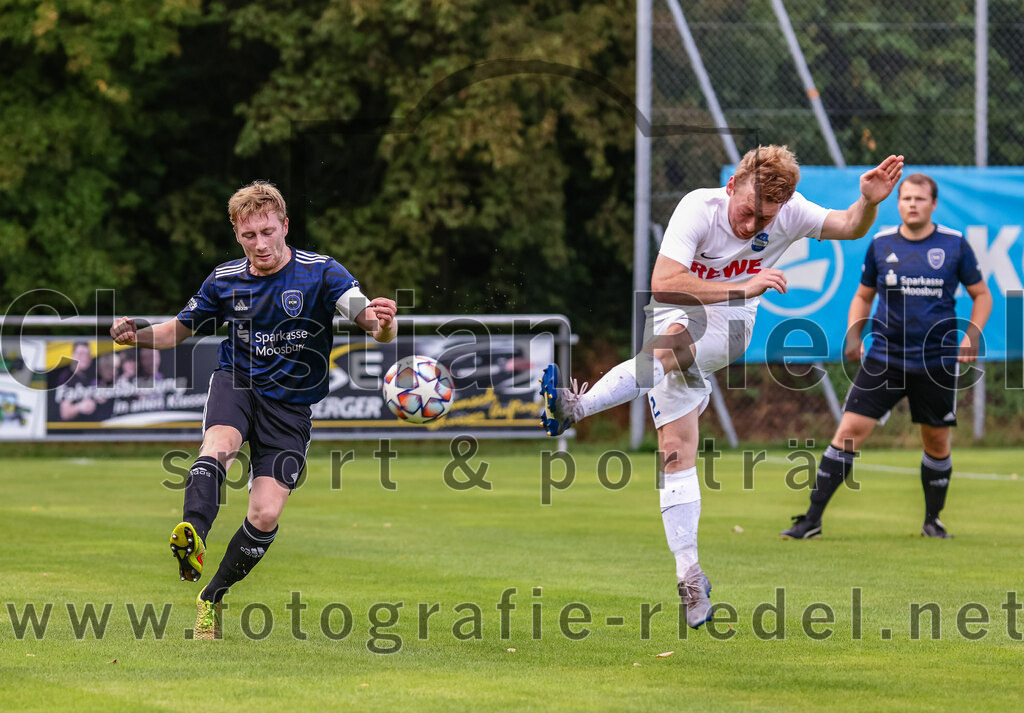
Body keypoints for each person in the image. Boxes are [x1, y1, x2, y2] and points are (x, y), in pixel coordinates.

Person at [539, 146, 904, 628]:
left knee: (672, 345)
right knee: (675, 451)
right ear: (732, 185)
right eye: (748, 211)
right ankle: (690, 579)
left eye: (765, 218)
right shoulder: (698, 206)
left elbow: (850, 225)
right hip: (675, 308)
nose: (752, 226)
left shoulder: (791, 210)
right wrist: (743, 285)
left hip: (729, 326)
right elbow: (664, 283)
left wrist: (869, 202)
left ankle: (576, 407)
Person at [111, 181, 397, 639]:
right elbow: (176, 331)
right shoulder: (224, 280)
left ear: (285, 225)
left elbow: (370, 322)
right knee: (219, 444)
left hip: (292, 408)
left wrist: (384, 325)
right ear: (236, 234)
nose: (260, 244)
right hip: (237, 383)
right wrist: (136, 335)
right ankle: (193, 534)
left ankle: (211, 596)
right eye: (249, 236)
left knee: (265, 514)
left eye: (267, 232)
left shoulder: (322, 272)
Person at [781, 172, 992, 540]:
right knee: (849, 432)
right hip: (885, 359)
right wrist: (854, 333)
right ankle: (811, 520)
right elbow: (863, 296)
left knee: (936, 442)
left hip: (936, 362)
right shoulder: (881, 243)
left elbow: (982, 295)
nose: (912, 204)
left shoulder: (954, 245)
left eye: (920, 199)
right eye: (906, 198)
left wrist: (971, 336)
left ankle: (932, 521)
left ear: (933, 204)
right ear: (898, 203)